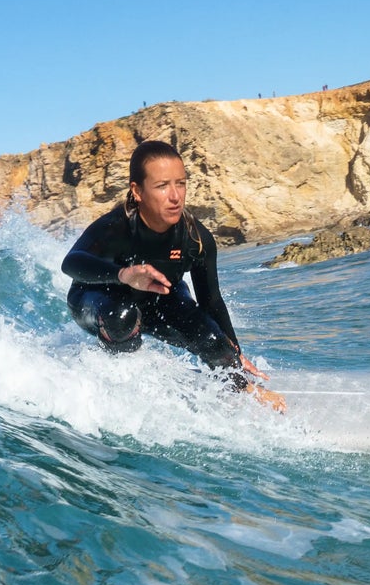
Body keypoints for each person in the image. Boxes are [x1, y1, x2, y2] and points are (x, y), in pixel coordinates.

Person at [62, 140, 283, 408]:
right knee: (121, 316)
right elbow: (71, 263)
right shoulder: (117, 227)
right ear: (138, 191)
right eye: (162, 186)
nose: (175, 196)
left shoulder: (195, 239)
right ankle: (120, 383)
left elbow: (211, 301)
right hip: (99, 297)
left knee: (215, 343)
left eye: (181, 183)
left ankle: (242, 391)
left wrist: (234, 356)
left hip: (158, 300)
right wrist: (124, 274)